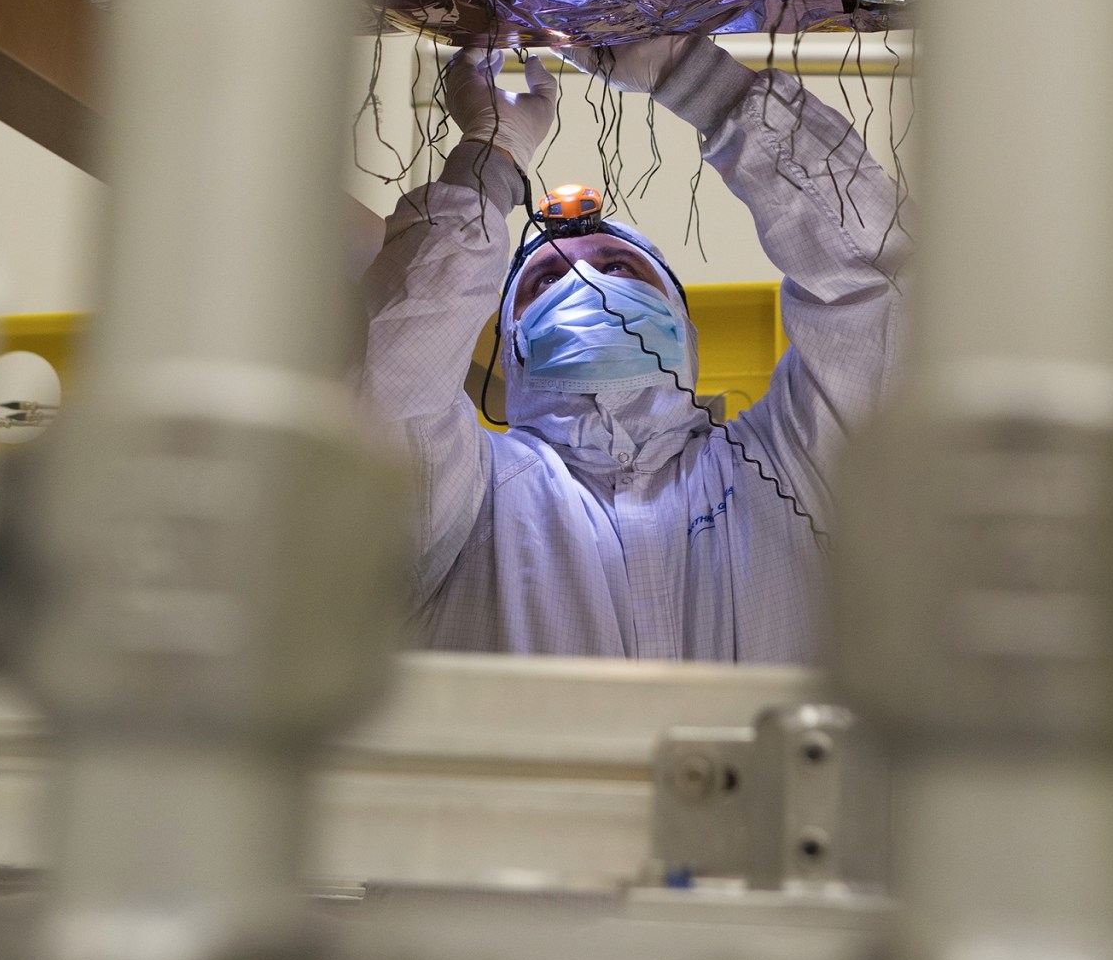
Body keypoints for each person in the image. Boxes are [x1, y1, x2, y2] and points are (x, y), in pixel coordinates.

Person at [358, 32, 907, 661]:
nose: (584, 282)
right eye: (546, 280)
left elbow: (881, 288)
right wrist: (491, 155)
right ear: (511, 351)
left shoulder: (795, 468)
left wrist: (699, 81)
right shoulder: (467, 496)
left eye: (622, 269)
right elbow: (391, 383)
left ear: (686, 336)